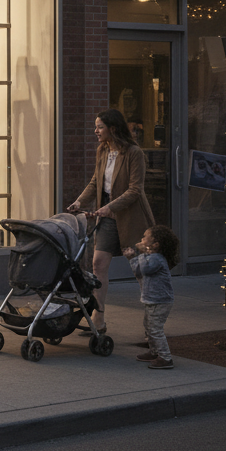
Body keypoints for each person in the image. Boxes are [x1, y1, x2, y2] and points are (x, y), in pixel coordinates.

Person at [67, 109, 155, 335]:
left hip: (130, 217)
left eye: (99, 127)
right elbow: (96, 182)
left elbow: (136, 190)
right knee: (98, 264)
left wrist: (109, 207)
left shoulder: (134, 153)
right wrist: (79, 202)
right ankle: (98, 318)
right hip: (106, 217)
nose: (95, 131)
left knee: (141, 271)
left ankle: (152, 329)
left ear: (112, 128)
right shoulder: (103, 150)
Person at [125, 224, 179, 370]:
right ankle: (155, 352)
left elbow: (146, 269)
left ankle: (166, 358)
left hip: (160, 300)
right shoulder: (150, 257)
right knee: (148, 327)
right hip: (151, 299)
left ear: (155, 244)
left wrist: (142, 253)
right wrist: (132, 258)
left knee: (155, 329)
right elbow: (139, 272)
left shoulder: (157, 258)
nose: (142, 238)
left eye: (145, 236)